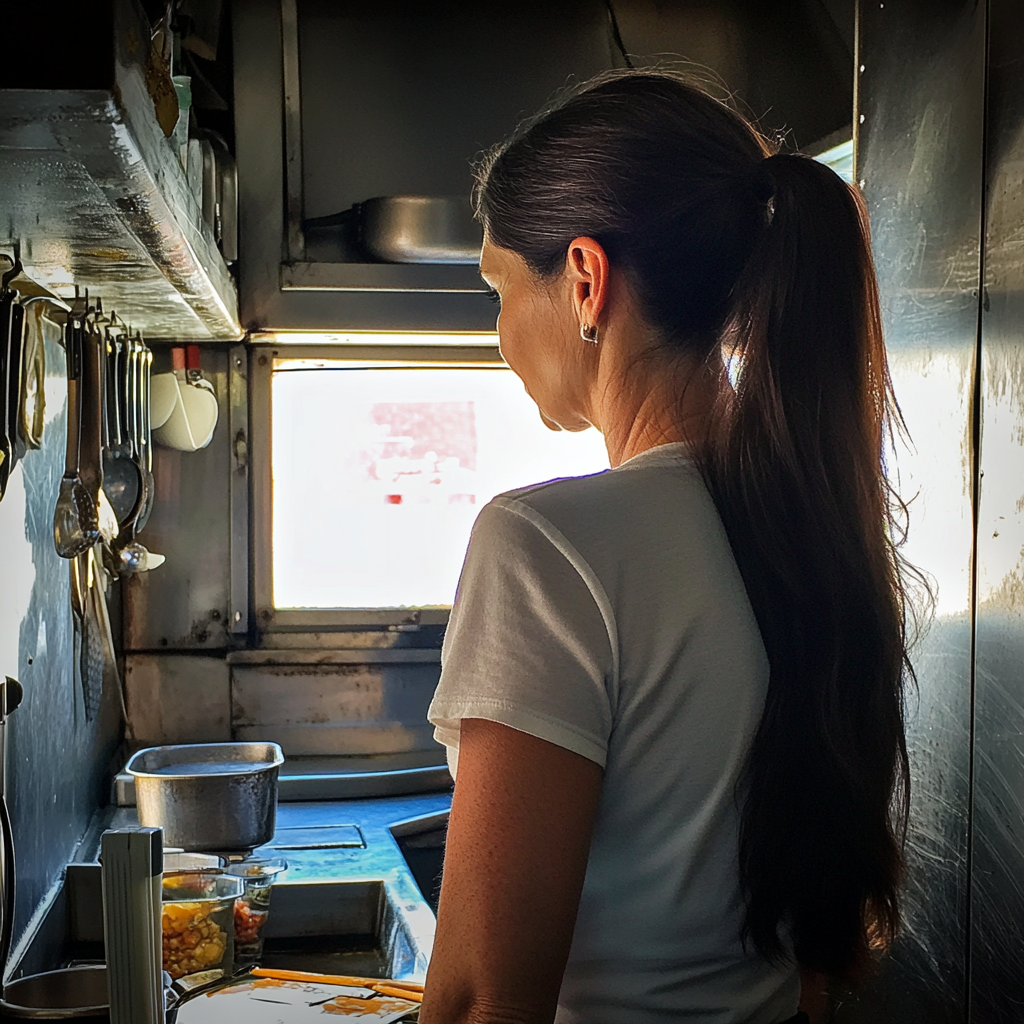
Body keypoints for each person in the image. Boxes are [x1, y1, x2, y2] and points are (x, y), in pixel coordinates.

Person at [419, 70, 915, 1024]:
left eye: (497, 287)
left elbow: (487, 1001)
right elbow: (808, 963)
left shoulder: (543, 547)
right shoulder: (812, 526)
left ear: (585, 279)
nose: (498, 335)